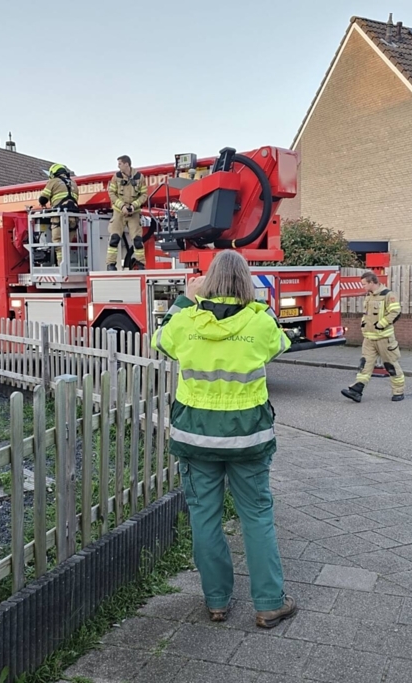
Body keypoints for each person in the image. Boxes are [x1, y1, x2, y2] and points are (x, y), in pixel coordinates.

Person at [151, 250, 296, 628]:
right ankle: (269, 603)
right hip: (248, 438)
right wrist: (256, 303)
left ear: (208, 281)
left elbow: (159, 340)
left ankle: (216, 601)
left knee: (204, 517)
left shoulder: (186, 321)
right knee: (257, 516)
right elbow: (281, 343)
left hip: (196, 437)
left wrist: (185, 298)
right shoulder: (259, 321)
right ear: (246, 283)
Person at [341, 271, 405, 402]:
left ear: (371, 282)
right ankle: (356, 391)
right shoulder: (369, 296)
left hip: (384, 338)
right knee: (365, 365)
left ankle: (398, 391)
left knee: (391, 365)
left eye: (364, 284)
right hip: (369, 338)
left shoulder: (388, 295)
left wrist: (381, 324)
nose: (363, 286)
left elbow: (395, 312)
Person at [106, 155, 148, 271]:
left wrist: (134, 205)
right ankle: (110, 265)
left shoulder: (140, 177)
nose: (118, 166)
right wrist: (122, 206)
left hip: (134, 213)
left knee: (137, 240)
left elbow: (144, 195)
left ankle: (141, 265)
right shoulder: (116, 177)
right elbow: (111, 193)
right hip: (119, 212)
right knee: (114, 238)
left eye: (120, 163)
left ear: (126, 164)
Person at [38, 163, 79, 264]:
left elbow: (43, 199)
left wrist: (43, 203)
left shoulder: (53, 181)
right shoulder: (73, 183)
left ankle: (61, 266)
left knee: (58, 243)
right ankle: (66, 264)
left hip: (59, 217)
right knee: (67, 244)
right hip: (73, 217)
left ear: (53, 173)